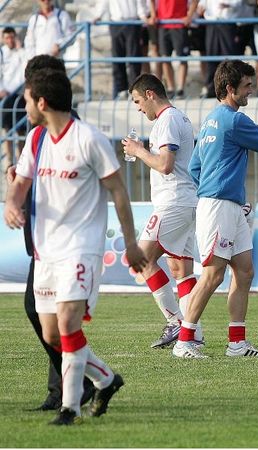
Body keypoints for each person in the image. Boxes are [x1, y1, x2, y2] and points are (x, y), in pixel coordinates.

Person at [4, 68, 147, 425]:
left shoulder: (88, 139)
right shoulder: (35, 140)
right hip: (46, 250)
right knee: (53, 332)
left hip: (81, 248)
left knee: (67, 323)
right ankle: (106, 379)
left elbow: (118, 190)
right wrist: (11, 204)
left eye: (26, 100)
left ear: (41, 101)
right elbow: (20, 183)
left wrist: (130, 243)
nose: (24, 108)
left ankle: (70, 409)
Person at [170, 59, 258, 359]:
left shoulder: (211, 119)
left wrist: (224, 192)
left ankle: (236, 343)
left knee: (244, 272)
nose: (252, 90)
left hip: (227, 205)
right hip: (219, 207)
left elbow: (195, 167)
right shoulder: (234, 119)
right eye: (247, 85)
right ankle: (184, 340)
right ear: (230, 88)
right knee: (212, 275)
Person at [5, 55, 97, 413]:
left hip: (67, 244)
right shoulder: (38, 136)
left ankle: (76, 384)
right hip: (44, 237)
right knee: (46, 314)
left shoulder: (74, 134)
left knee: (43, 312)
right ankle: (67, 386)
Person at [122, 73, 203, 349]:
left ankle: (175, 322)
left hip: (174, 201)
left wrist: (139, 150)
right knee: (181, 269)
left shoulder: (167, 120)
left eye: (137, 101)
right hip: (186, 200)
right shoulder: (178, 117)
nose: (138, 108)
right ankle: (194, 333)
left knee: (140, 259)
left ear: (150, 95)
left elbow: (165, 164)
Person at [94, 0, 147, 99]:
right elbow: (104, 2)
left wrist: (143, 16)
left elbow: (139, 3)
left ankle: (134, 89)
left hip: (133, 22)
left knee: (134, 58)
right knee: (117, 57)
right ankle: (121, 89)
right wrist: (98, 15)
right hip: (116, 23)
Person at [148, 0, 198, 98]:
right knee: (165, 58)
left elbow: (195, 1)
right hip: (163, 24)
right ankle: (170, 89)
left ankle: (180, 89)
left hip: (179, 24)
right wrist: (153, 14)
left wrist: (189, 15)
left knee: (182, 58)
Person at [0, 27, 27, 171]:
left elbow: (27, 65)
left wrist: (20, 48)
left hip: (20, 94)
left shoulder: (21, 52)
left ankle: (21, 160)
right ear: (3, 39)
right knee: (8, 130)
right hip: (6, 95)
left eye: (12, 37)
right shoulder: (2, 53)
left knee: (21, 130)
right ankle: (9, 161)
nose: (10, 40)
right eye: (7, 37)